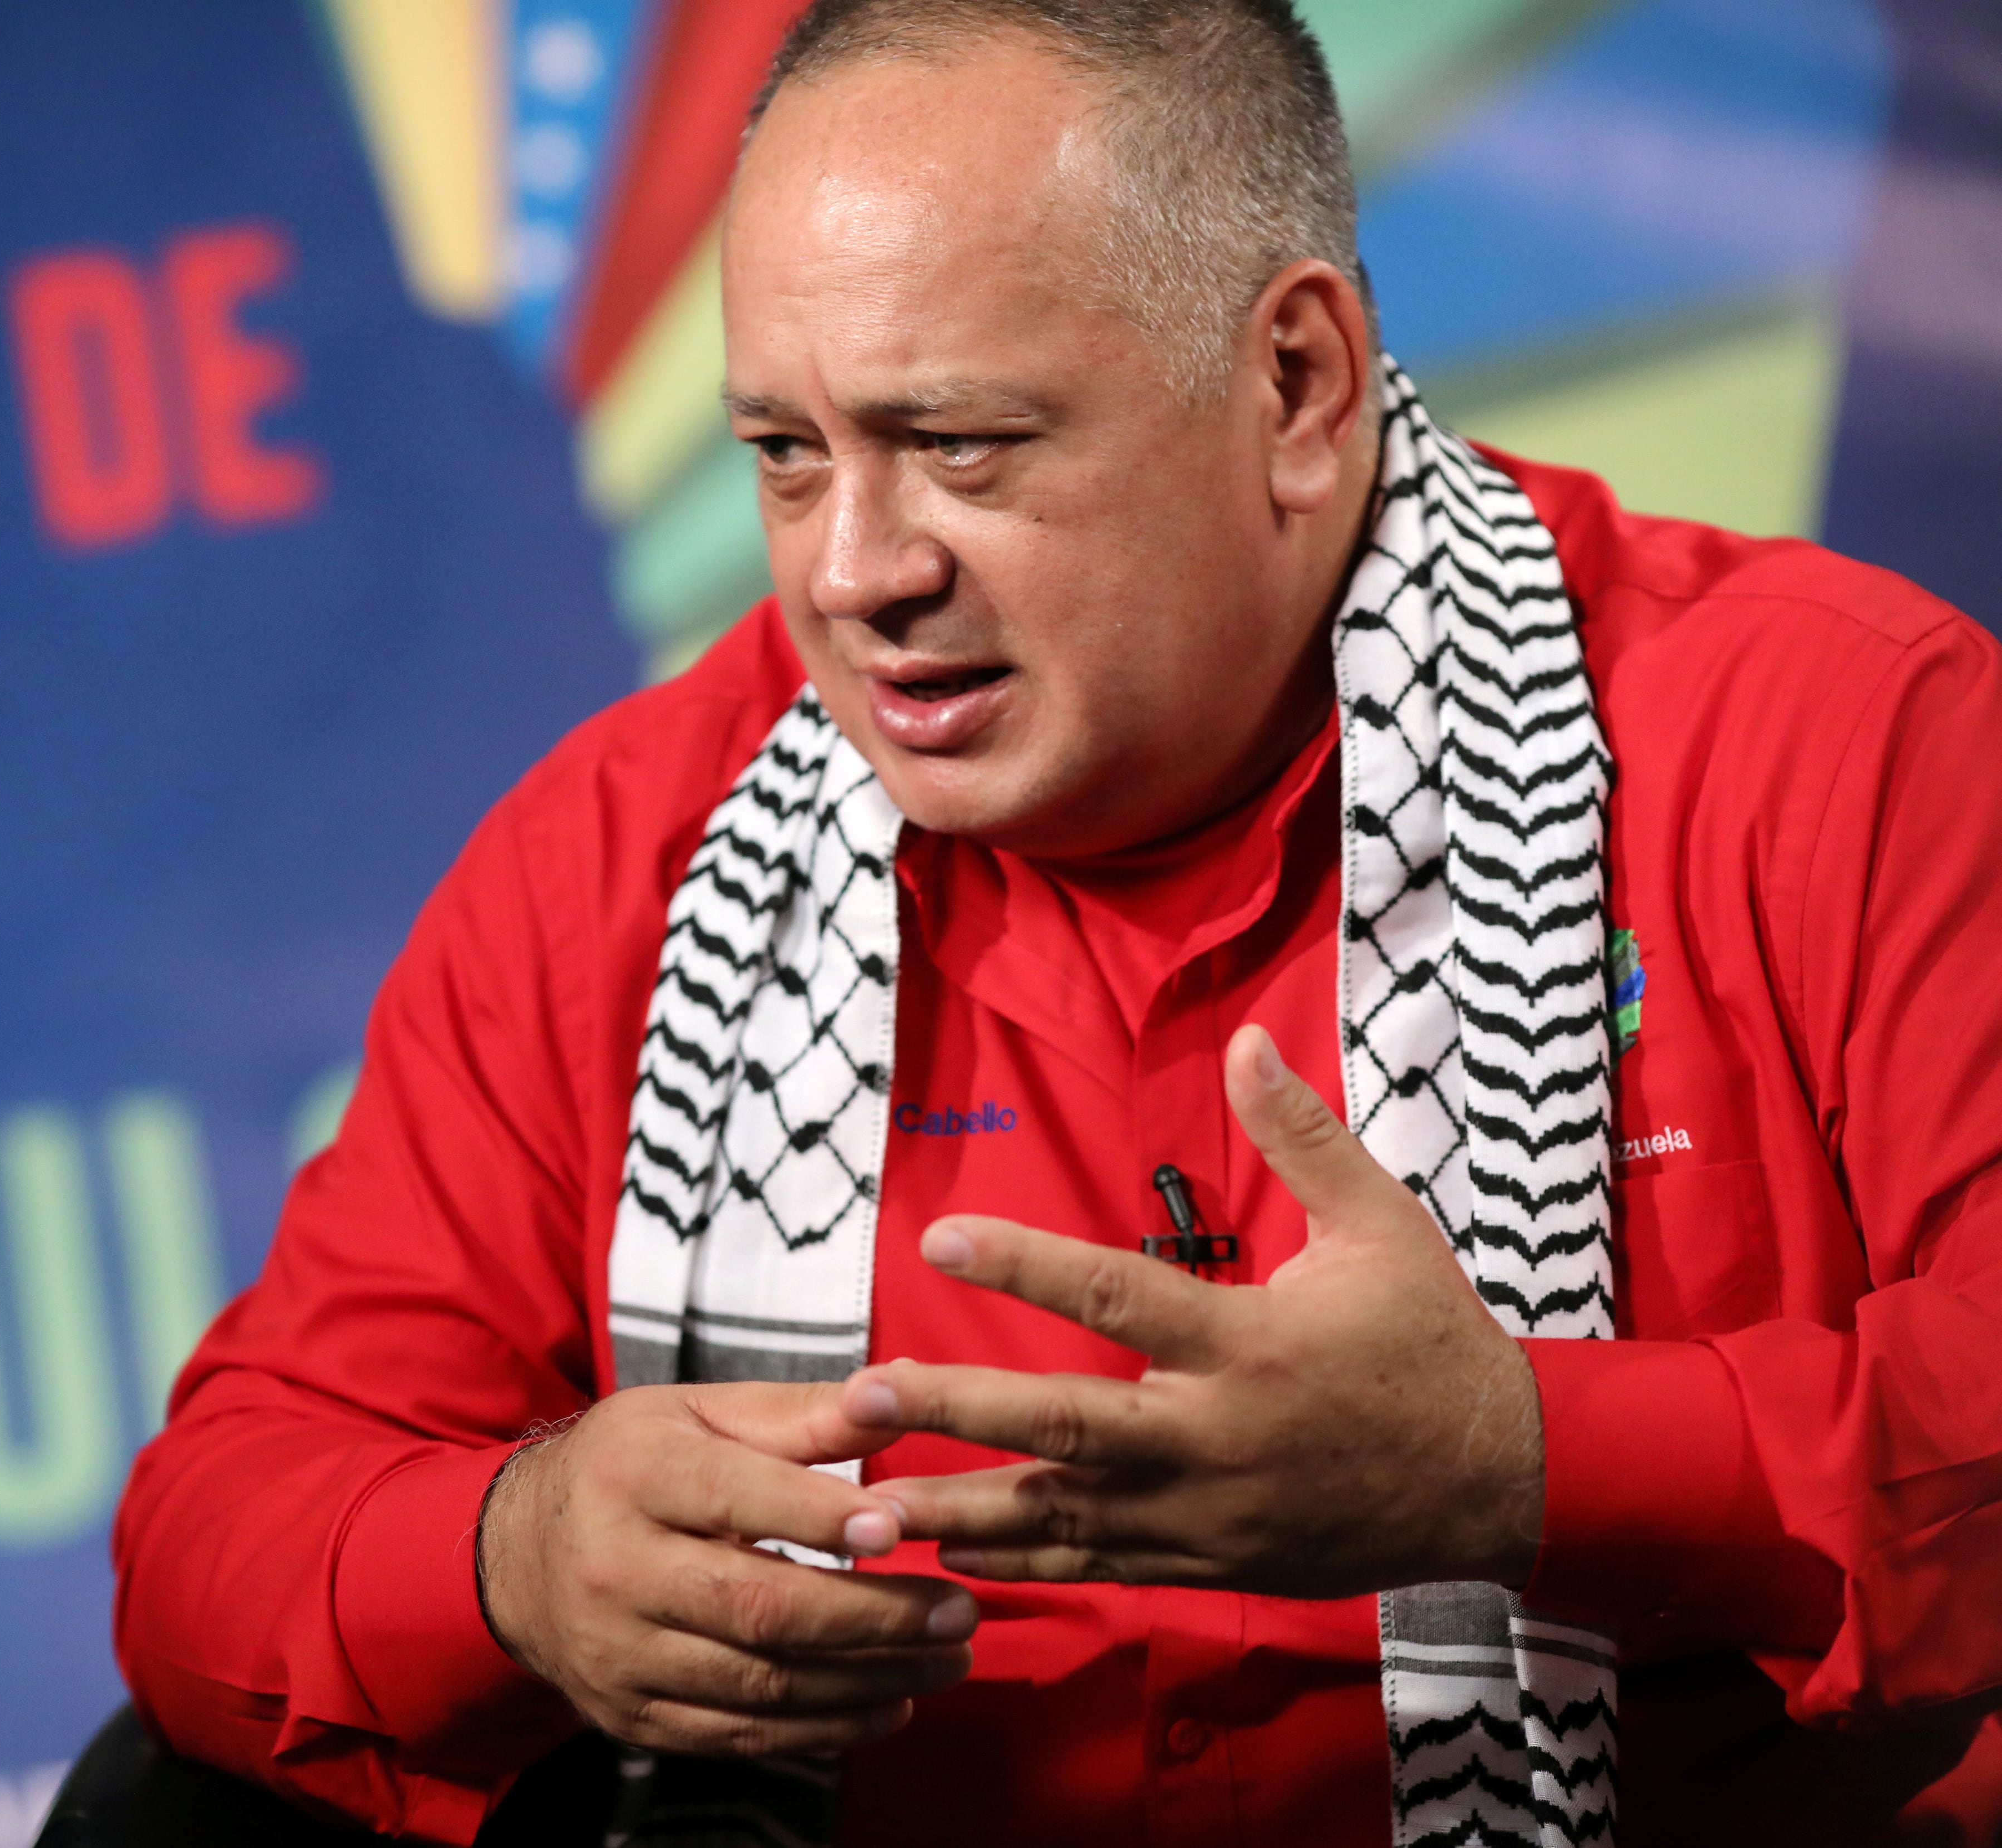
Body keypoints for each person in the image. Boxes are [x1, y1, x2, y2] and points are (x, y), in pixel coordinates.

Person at [112, 2, 2002, 1842]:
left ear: (1297, 385)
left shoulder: (1836, 745)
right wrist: (517, 1560)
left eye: (963, 443)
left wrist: (1526, 1462)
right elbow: (230, 1520)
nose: (856, 572)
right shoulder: (626, 857)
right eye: (783, 453)